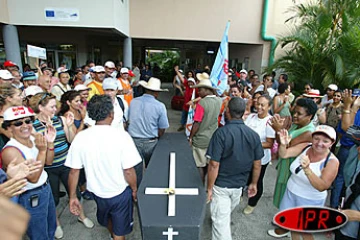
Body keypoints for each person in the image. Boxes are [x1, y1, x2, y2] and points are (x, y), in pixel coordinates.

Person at [65, 95, 141, 240]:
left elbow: (74, 171)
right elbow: (129, 170)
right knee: (120, 232)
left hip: (97, 193)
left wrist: (73, 196)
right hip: (120, 192)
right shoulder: (122, 136)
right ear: (111, 114)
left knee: (107, 221)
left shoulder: (81, 138)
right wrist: (134, 189)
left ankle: (113, 235)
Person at [30, 92, 94, 239]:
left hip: (66, 163)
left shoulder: (61, 120)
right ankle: (57, 223)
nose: (55, 109)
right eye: (52, 106)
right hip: (48, 168)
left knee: (76, 193)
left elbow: (71, 140)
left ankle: (81, 216)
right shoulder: (32, 127)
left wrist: (70, 126)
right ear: (41, 107)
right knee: (53, 198)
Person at [206, 97, 263, 240]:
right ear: (243, 112)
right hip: (239, 185)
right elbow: (257, 164)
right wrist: (254, 183)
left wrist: (209, 188)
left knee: (221, 227)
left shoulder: (221, 133)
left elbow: (214, 164)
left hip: (221, 185)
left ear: (227, 112)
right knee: (224, 214)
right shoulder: (254, 135)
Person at [1, 105, 57, 239]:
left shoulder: (33, 139)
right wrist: (42, 150)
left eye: (28, 121)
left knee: (51, 226)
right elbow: (33, 178)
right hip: (31, 195)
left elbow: (48, 162)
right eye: (18, 123)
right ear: (9, 128)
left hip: (45, 187)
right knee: (39, 234)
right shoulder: (10, 150)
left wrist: (49, 143)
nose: (25, 125)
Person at [276, 125, 339, 240]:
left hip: (310, 200)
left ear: (332, 143)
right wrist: (283, 144)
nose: (319, 143)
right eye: (316, 139)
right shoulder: (306, 147)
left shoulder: (332, 161)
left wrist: (307, 170)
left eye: (325, 141)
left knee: (306, 232)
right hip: (291, 193)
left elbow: (322, 186)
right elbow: (284, 154)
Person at [268, 98, 317, 238]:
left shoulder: (309, 132)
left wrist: (278, 130)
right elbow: (281, 143)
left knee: (287, 197)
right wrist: (278, 131)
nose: (295, 115)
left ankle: (285, 228)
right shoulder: (296, 125)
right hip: (285, 163)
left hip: (292, 167)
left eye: (299, 113)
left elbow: (288, 145)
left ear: (310, 117)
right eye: (294, 112)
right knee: (282, 193)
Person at [128, 77, 169, 186]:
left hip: (134, 141)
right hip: (151, 142)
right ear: (156, 93)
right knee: (152, 169)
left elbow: (128, 120)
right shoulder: (160, 106)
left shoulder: (133, 102)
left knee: (136, 170)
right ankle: (150, 191)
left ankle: (136, 192)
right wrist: (158, 137)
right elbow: (162, 127)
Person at [243, 94, 275, 215]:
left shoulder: (270, 122)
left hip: (260, 158)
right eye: (258, 103)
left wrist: (253, 143)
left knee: (257, 180)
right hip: (246, 156)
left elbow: (269, 143)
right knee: (246, 176)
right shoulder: (251, 117)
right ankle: (243, 193)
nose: (259, 107)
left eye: (263, 105)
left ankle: (252, 202)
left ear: (269, 106)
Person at [189, 73, 222, 183]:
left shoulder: (201, 103)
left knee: (199, 164)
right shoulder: (218, 101)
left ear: (207, 90)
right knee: (209, 164)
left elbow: (197, 122)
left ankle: (200, 184)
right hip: (214, 138)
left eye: (200, 90)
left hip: (201, 139)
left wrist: (191, 137)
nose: (198, 92)